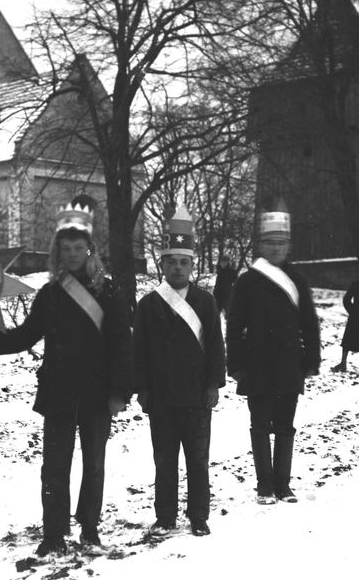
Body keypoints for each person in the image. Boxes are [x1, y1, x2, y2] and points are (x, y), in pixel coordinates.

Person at [0, 201, 132, 557]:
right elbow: (24, 336)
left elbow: (123, 345)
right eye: (66, 248)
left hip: (97, 391)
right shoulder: (50, 294)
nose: (73, 254)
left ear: (90, 250)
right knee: (54, 467)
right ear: (57, 251)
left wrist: (120, 391)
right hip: (59, 391)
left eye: (79, 248)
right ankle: (54, 533)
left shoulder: (108, 292)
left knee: (93, 464)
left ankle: (89, 528)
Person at [132, 205, 225, 536]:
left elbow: (215, 346)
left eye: (183, 262)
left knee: (198, 461)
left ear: (192, 265)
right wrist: (142, 389)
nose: (177, 268)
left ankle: (199, 516)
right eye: (170, 262)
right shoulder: (148, 305)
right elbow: (138, 352)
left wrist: (214, 384)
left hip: (197, 396)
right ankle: (166, 515)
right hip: (161, 397)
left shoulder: (205, 302)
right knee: (164, 461)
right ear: (162, 265)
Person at [226, 201, 321, 504]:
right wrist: (236, 365)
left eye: (281, 243)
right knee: (259, 424)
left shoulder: (298, 281)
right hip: (257, 365)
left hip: (288, 364)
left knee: (285, 424)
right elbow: (234, 325)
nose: (276, 248)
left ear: (288, 246)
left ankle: (283, 483)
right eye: (270, 243)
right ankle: (264, 484)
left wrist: (311, 361)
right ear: (260, 245)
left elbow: (309, 323)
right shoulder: (247, 281)